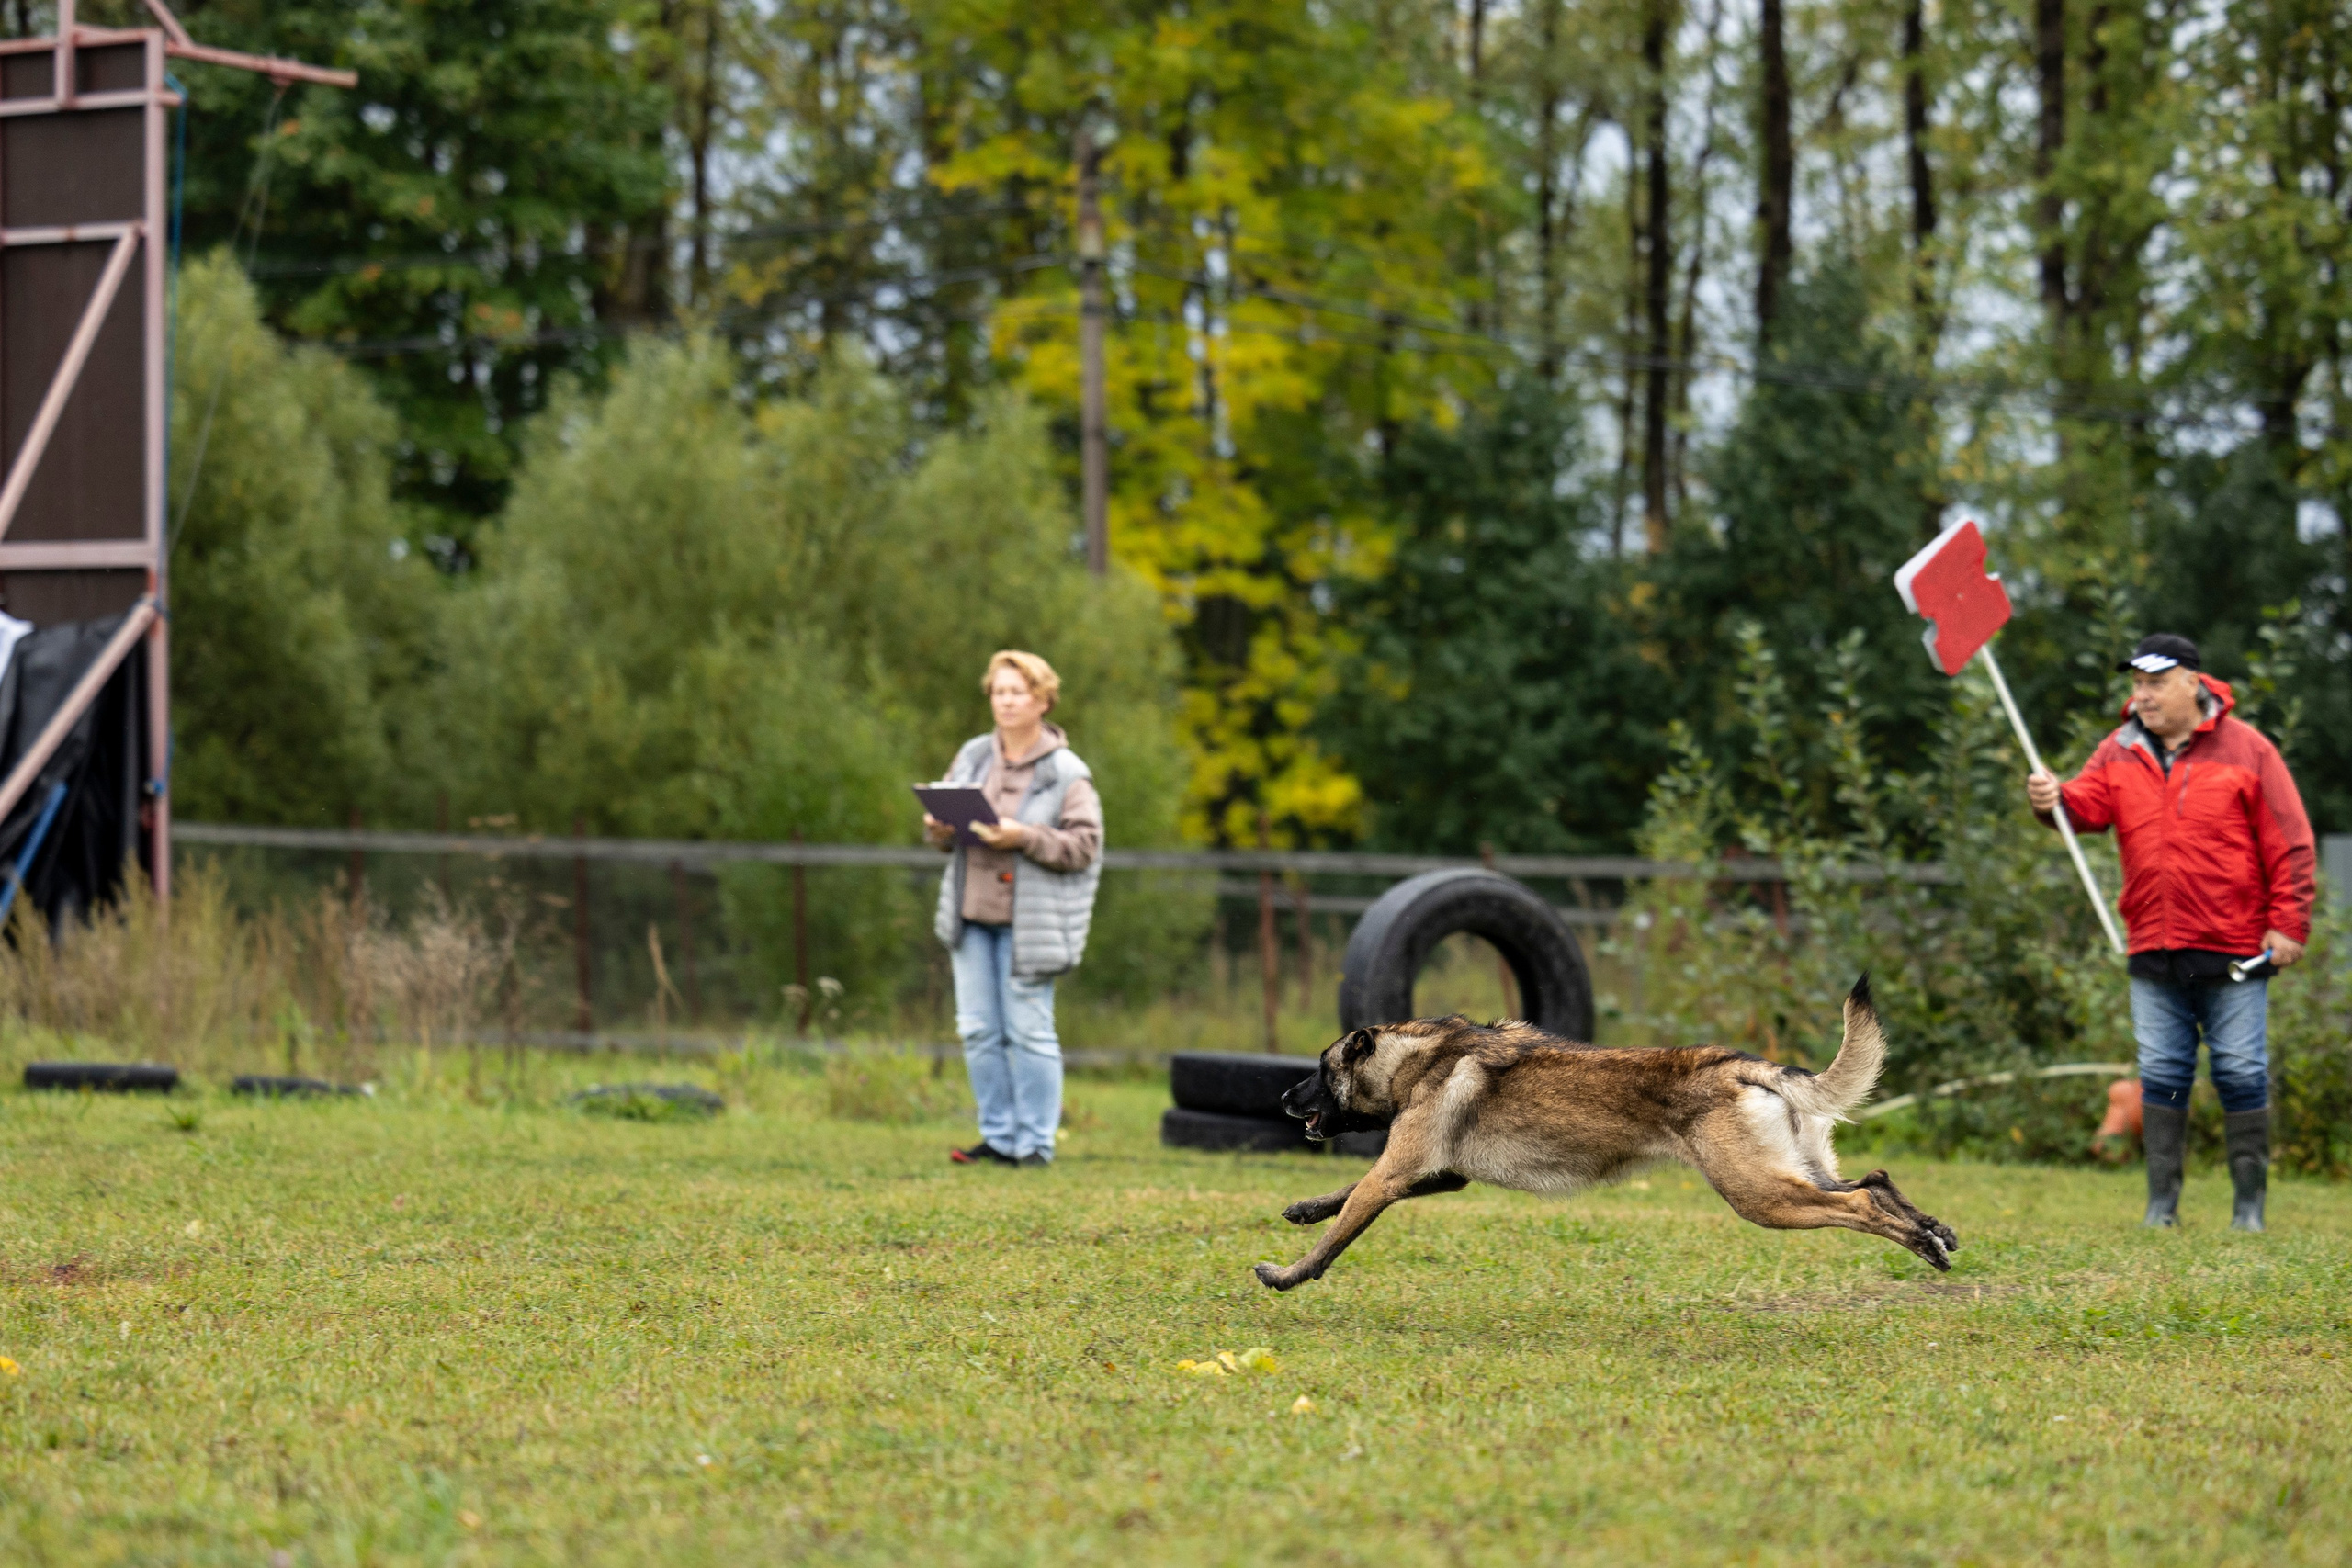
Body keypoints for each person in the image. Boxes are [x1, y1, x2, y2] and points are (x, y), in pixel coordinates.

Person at [2025, 633, 2314, 1232]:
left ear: (2192, 681)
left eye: (2155, 682)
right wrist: (2052, 799)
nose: (2143, 695)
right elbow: (2085, 809)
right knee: (2161, 1074)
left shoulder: (2249, 749)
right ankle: (2162, 1208)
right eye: (2136, 683)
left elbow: (2289, 841)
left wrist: (2288, 924)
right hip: (2153, 947)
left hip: (2234, 948)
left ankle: (2249, 1209)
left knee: (2238, 1070)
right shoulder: (2119, 748)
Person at [923, 650, 1103, 1168]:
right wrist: (939, 829)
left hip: (1031, 927)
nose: (1006, 701)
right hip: (971, 917)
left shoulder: (1067, 771)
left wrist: (1024, 835)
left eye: (1017, 692)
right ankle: (999, 1139)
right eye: (999, 691)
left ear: (1043, 700)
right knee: (978, 1029)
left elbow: (1085, 845)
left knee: (1028, 1030)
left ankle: (1036, 1146)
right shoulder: (974, 755)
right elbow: (944, 828)